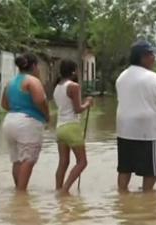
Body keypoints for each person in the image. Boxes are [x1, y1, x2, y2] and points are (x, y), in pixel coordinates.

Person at [115, 40, 156, 192]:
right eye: (151, 55)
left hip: (124, 130)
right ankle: (147, 198)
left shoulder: (121, 77)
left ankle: (122, 196)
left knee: (125, 169)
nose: (154, 58)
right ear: (143, 57)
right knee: (151, 171)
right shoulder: (153, 77)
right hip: (149, 132)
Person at [1, 53, 49, 191]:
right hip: (27, 123)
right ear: (34, 66)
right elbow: (40, 100)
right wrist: (47, 115)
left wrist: (18, 107)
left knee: (16, 160)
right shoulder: (33, 81)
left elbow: (4, 104)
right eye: (38, 66)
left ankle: (18, 190)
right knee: (28, 160)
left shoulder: (10, 82)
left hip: (10, 121)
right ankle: (21, 194)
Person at [53, 59, 93, 194]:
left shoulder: (57, 86)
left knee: (63, 162)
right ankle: (65, 190)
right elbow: (78, 109)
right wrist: (87, 103)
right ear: (74, 71)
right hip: (71, 127)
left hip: (60, 128)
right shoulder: (74, 86)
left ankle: (58, 189)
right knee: (82, 162)